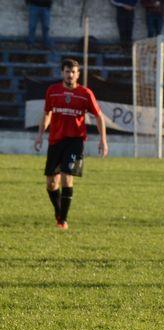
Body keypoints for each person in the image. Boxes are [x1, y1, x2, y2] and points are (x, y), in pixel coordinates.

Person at [33, 58, 109, 230]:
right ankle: (59, 212)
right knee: (51, 183)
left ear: (78, 74)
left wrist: (103, 140)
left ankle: (63, 220)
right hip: (55, 140)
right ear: (62, 73)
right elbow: (47, 114)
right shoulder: (52, 91)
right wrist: (39, 135)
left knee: (67, 177)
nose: (70, 75)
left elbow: (98, 116)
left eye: (74, 72)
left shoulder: (85, 93)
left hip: (75, 141)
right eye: (67, 71)